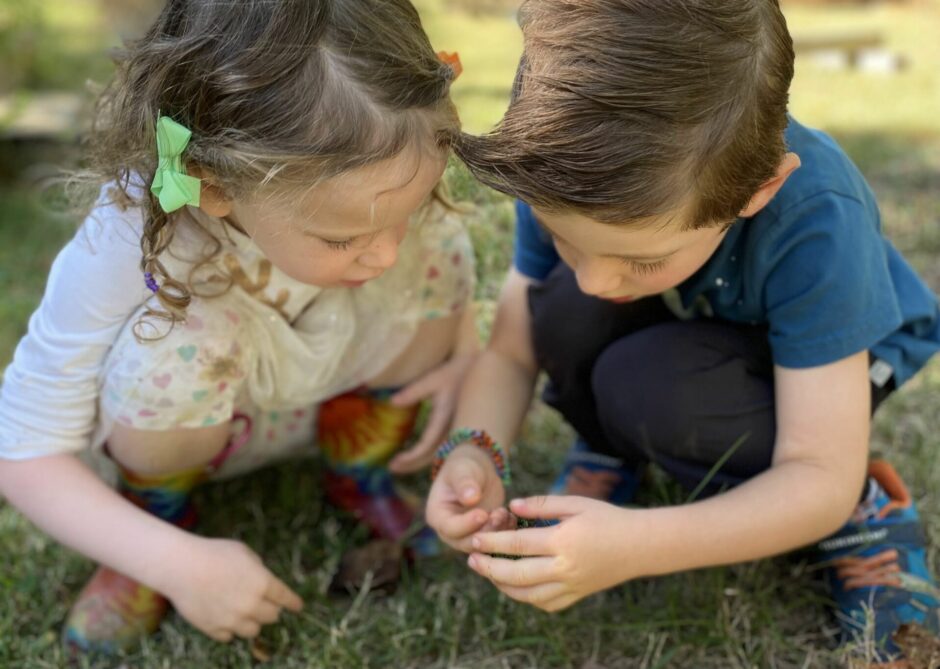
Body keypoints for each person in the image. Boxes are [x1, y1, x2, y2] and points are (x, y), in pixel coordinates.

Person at [426, 0, 940, 665]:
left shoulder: (817, 217)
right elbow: (513, 347)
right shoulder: (565, 165)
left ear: (756, 191)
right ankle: (615, 443)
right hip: (686, 328)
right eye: (564, 237)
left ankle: (867, 508)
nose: (593, 279)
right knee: (560, 311)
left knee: (652, 390)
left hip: (810, 381)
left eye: (640, 258)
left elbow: (816, 471)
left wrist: (637, 544)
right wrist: (472, 451)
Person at [0, 0, 477, 654]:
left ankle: (357, 467)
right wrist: (170, 561)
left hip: (316, 403)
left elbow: (413, 256)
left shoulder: (373, 209)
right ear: (215, 185)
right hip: (194, 433)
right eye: (343, 237)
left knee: (443, 242)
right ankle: (153, 521)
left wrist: (464, 354)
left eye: (404, 209)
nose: (385, 251)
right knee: (183, 330)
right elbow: (22, 447)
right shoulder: (133, 232)